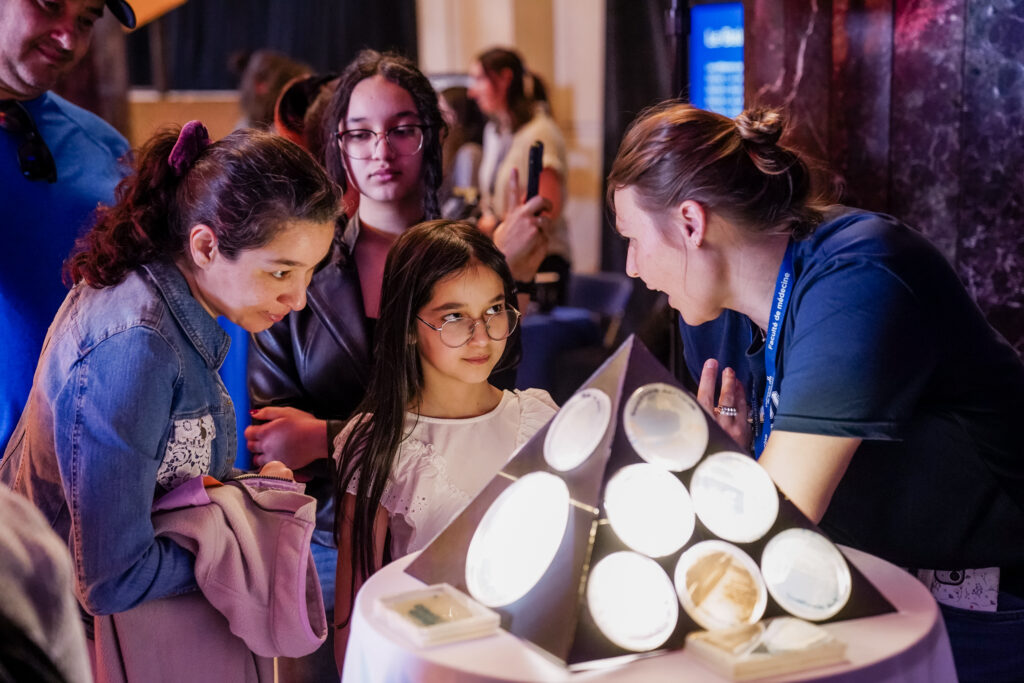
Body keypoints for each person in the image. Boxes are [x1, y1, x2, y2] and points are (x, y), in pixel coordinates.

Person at [607, 100, 1024, 682]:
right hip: (840, 579)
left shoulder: (860, 272)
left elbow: (776, 510)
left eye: (631, 238)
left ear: (690, 223)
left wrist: (728, 477)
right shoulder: (706, 310)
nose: (629, 267)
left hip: (977, 601)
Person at [0, 122, 339, 659]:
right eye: (281, 273)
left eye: (309, 274)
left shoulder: (173, 299)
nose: (297, 299)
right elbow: (111, 576)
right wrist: (249, 533)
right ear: (205, 245)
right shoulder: (138, 346)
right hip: (82, 648)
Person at [331, 220, 558, 673]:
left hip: (534, 657)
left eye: (494, 309)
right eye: (454, 317)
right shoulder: (380, 444)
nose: (481, 336)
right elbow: (353, 613)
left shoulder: (538, 418)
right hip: (434, 665)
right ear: (409, 325)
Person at [0, 0, 136, 452]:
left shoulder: (106, 150)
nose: (68, 38)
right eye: (49, 5)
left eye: (85, 20)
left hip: (90, 478)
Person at [469, 47, 571, 307]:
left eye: (479, 79)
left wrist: (495, 226)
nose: (471, 91)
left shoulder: (540, 132)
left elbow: (546, 211)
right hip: (504, 254)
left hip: (540, 264)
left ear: (504, 79)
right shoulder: (495, 132)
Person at [438, 85, 485, 220]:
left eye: (443, 111)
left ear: (458, 114)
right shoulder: (450, 148)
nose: (439, 118)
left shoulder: (469, 153)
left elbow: (466, 203)